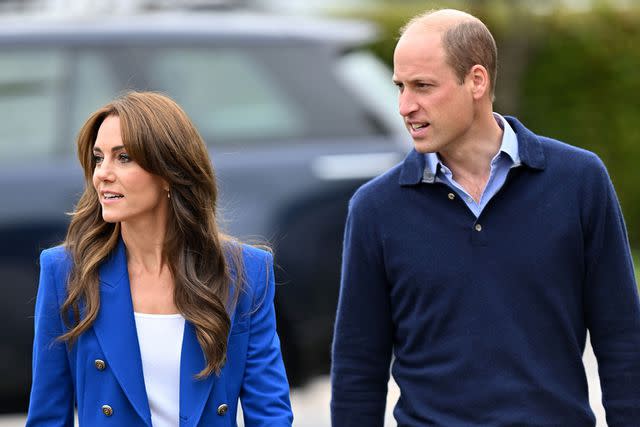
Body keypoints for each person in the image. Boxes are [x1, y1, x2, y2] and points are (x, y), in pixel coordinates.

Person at [331, 8, 640, 427]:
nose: (405, 106)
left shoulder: (580, 181)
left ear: (476, 81)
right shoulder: (374, 209)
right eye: (400, 87)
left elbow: (622, 337)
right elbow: (357, 367)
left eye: (423, 86)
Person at [26, 91, 293, 427]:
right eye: (98, 158)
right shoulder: (65, 272)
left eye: (123, 158)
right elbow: (48, 417)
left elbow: (270, 414)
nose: (102, 174)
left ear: (168, 171)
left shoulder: (246, 272)